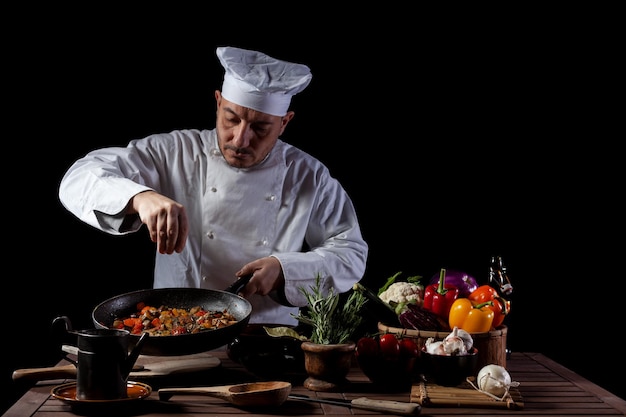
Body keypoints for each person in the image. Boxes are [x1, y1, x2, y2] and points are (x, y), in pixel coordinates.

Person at [58, 46, 368, 325]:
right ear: (218, 102)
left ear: (285, 122)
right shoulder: (173, 152)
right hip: (177, 331)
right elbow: (80, 177)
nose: (240, 139)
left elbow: (350, 253)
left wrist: (285, 269)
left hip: (267, 341)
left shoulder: (308, 175)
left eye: (260, 127)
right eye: (231, 119)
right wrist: (140, 197)